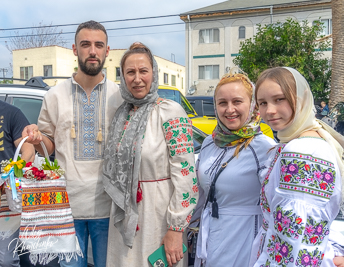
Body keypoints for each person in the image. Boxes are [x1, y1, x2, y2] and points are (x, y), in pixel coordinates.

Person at [22, 20, 123, 267]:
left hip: (109, 206)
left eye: (99, 45)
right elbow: (49, 147)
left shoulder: (120, 95)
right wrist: (37, 139)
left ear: (107, 51)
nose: (92, 51)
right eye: (85, 44)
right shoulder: (54, 95)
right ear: (74, 49)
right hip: (66, 207)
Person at [103, 42, 198, 267]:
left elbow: (186, 176)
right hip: (125, 214)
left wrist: (175, 229)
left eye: (143, 71)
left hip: (158, 216)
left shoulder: (170, 111)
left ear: (153, 73)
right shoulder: (121, 115)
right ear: (123, 77)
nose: (137, 78)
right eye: (130, 72)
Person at [250, 67, 344, 267]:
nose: (269, 110)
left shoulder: (303, 150)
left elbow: (295, 242)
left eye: (279, 99)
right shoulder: (303, 140)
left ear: (302, 98)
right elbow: (312, 223)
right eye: (263, 103)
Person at [193, 70, 276, 267]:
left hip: (245, 238)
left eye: (237, 102)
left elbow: (281, 203)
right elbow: (200, 195)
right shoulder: (209, 143)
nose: (230, 109)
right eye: (223, 103)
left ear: (252, 105)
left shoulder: (264, 147)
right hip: (211, 234)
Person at [0, 101, 35, 267]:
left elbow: (28, 151)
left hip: (6, 200)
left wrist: (11, 172)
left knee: (6, 260)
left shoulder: (11, 114)